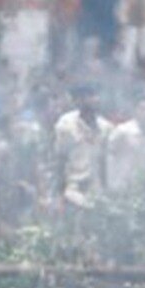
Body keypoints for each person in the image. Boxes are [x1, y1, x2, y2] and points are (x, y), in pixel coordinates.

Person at [53, 83, 111, 211]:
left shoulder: (105, 127)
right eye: (88, 96)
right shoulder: (66, 125)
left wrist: (107, 190)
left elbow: (104, 163)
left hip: (96, 192)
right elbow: (60, 161)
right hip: (73, 191)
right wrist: (59, 194)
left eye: (94, 96)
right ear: (78, 101)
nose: (94, 100)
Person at [105, 96, 145, 198]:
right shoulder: (123, 131)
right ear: (135, 110)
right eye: (143, 109)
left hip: (143, 187)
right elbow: (108, 154)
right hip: (121, 187)